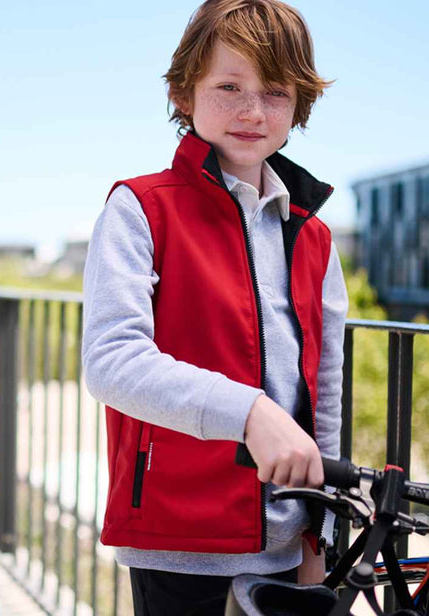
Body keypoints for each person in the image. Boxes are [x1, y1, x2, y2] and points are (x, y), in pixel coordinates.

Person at [82, 0, 348, 614]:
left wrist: (321, 533)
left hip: (287, 545)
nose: (253, 111)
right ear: (183, 93)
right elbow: (112, 360)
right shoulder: (140, 209)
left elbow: (325, 391)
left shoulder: (313, 235)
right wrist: (250, 413)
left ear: (298, 104)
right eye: (229, 87)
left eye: (275, 92)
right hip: (178, 538)